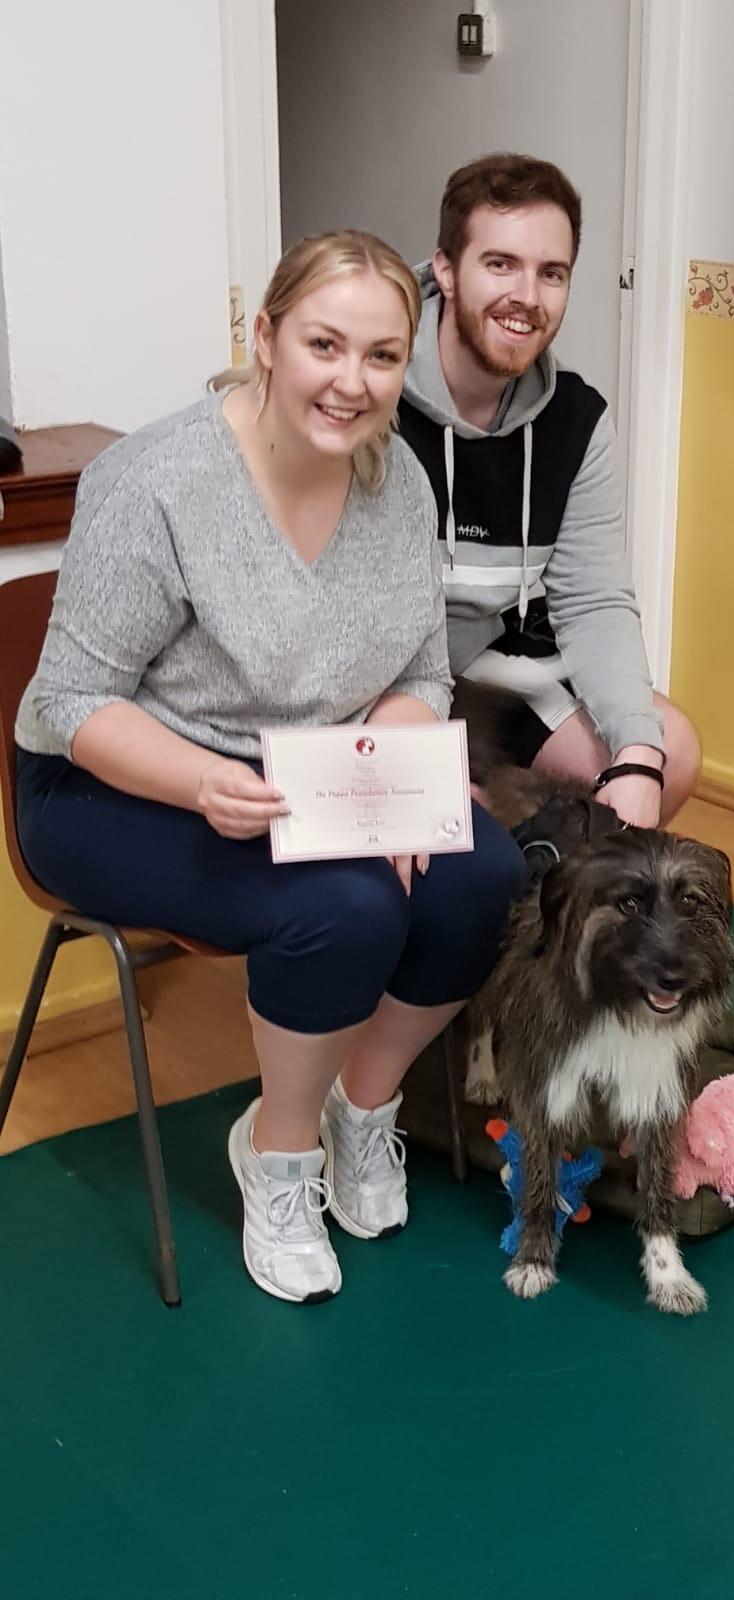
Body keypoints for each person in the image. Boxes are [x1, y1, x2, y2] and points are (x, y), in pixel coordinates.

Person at [14, 231, 526, 1305]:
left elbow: (422, 673)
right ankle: (279, 1154)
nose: (351, 382)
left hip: (313, 775)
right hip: (112, 783)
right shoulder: (154, 481)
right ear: (266, 337)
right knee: (344, 907)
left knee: (482, 875)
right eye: (324, 345)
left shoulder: (399, 482)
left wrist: (395, 771)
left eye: (381, 357)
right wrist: (201, 783)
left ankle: (360, 1107)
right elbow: (69, 705)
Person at [396, 153, 702, 831]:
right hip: (382, 677)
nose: (527, 297)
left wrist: (637, 755)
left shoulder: (576, 421)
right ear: (445, 269)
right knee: (459, 830)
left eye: (551, 273)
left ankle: (553, 894)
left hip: (488, 661)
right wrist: (421, 760)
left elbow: (594, 601)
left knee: (668, 751)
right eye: (500, 264)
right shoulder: (369, 389)